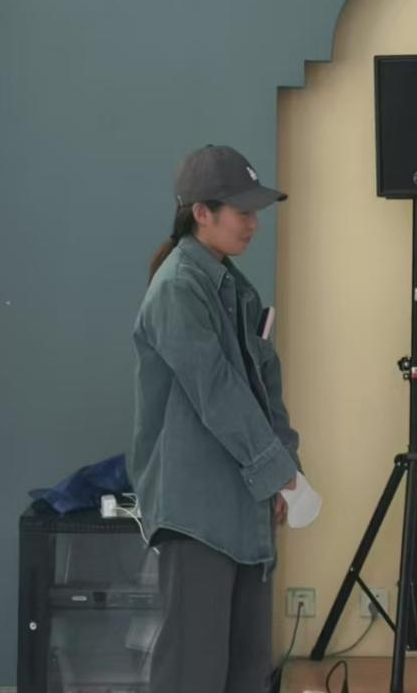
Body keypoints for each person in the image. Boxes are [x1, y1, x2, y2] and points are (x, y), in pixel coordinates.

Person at [128, 144, 301, 692]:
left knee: (247, 670)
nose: (253, 223)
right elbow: (217, 392)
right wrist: (276, 470)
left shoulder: (234, 287)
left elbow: (263, 388)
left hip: (243, 502)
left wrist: (285, 465)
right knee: (193, 673)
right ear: (201, 212)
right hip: (196, 512)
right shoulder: (178, 288)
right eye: (241, 211)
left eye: (255, 211)